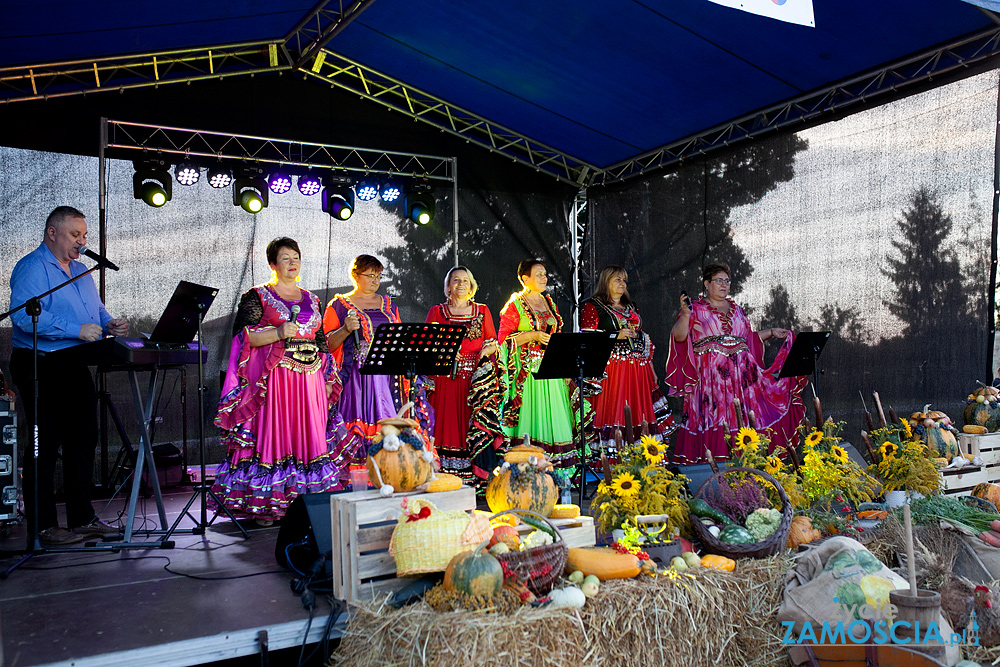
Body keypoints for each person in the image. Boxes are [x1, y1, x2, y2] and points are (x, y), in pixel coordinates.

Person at [7, 206, 126, 546]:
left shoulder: (81, 271)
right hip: (39, 363)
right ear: (52, 233)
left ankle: (81, 518)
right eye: (76, 235)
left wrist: (109, 324)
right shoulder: (32, 267)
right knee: (44, 444)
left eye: (85, 235)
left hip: (73, 362)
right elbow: (22, 316)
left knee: (83, 439)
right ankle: (44, 525)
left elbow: (97, 312)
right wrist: (76, 329)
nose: (82, 241)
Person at [212, 238, 342, 525]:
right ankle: (269, 504)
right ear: (273, 264)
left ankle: (306, 502)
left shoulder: (312, 299)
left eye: (296, 257)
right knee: (277, 436)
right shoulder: (258, 296)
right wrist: (279, 332)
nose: (292, 262)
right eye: (285, 258)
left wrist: (328, 379)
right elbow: (242, 338)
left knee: (309, 438)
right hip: (276, 380)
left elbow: (321, 344)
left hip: (309, 382)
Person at [665, 262, 806, 462]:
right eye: (718, 280)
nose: (724, 285)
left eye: (727, 281)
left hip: (742, 378)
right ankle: (714, 469)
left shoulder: (738, 310)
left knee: (741, 421)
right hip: (711, 380)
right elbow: (679, 338)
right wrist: (686, 315)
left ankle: (747, 470)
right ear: (706, 283)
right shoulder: (694, 309)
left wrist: (771, 333)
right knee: (718, 418)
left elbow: (746, 340)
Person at [323, 255, 432, 467]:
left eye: (379, 276)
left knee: (392, 423)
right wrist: (345, 329)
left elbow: (399, 335)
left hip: (390, 375)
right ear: (355, 275)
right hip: (357, 378)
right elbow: (327, 346)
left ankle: (391, 469)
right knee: (360, 426)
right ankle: (361, 475)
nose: (375, 280)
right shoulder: (339, 304)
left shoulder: (389, 304)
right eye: (370, 275)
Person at [497, 259, 586, 470]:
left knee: (555, 416)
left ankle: (558, 471)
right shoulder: (515, 304)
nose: (544, 278)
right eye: (538, 274)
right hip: (529, 373)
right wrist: (532, 335)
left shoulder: (549, 303)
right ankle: (530, 468)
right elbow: (503, 340)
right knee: (533, 416)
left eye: (545, 274)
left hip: (552, 369)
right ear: (524, 278)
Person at [424, 266, 503, 487]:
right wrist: (444, 348)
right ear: (448, 286)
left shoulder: (482, 310)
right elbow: (425, 343)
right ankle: (442, 478)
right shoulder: (437, 312)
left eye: (465, 281)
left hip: (473, 382)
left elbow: (492, 342)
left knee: (471, 425)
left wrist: (485, 352)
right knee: (444, 425)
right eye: (456, 280)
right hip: (445, 380)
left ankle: (472, 477)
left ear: (472, 286)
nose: (461, 284)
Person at [581, 265, 674, 449]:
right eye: (617, 279)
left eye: (624, 280)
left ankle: (639, 453)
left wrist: (651, 369)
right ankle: (611, 455)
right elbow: (586, 338)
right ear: (605, 282)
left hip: (638, 369)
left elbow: (642, 337)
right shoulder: (593, 306)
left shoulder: (631, 306)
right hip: (611, 370)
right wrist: (616, 335)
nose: (622, 283)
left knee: (637, 409)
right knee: (615, 410)